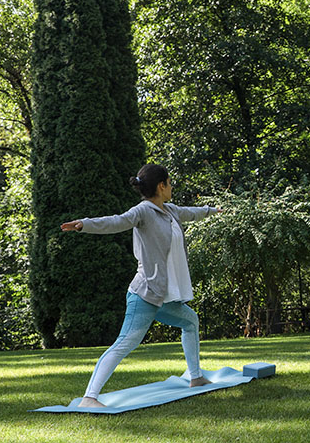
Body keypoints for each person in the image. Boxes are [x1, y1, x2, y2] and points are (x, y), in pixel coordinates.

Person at [60, 164, 222, 408]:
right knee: (126, 342)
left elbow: (191, 212)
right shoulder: (143, 212)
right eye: (170, 182)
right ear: (161, 186)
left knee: (190, 321)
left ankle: (196, 377)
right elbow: (117, 221)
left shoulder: (169, 211)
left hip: (163, 296)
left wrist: (213, 210)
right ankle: (89, 398)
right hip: (145, 295)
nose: (172, 187)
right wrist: (86, 224)